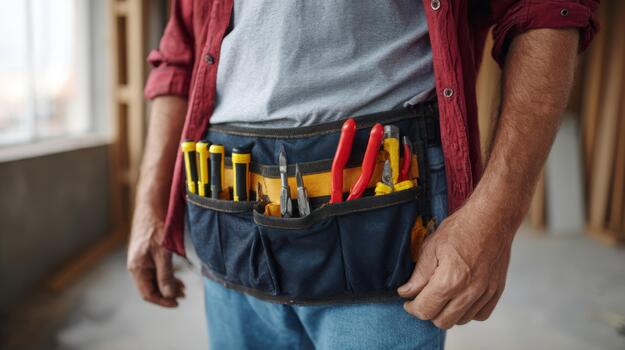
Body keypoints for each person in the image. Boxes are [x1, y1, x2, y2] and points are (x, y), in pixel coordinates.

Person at [127, 0, 598, 348]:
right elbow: (179, 55)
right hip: (228, 220)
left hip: (383, 223)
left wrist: (496, 217)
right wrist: (149, 205)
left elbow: (546, 10)